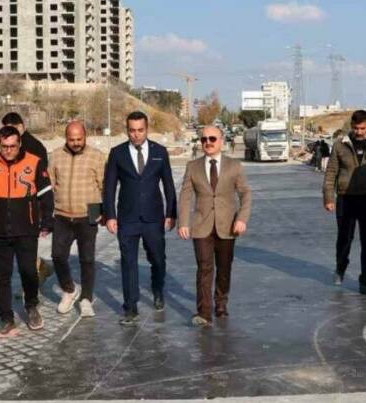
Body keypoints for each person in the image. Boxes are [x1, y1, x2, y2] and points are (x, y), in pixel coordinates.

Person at [0, 125, 54, 336]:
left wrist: (47, 222)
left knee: (28, 271)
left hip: (26, 230)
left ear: (19, 144)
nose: (8, 150)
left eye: (12, 146)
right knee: (2, 276)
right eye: (4, 146)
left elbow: (46, 195)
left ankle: (31, 306)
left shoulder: (34, 163)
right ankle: (6, 318)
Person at [103, 111, 177, 326]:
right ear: (127, 130)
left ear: (147, 128)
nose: (136, 135)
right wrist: (110, 215)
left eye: (140, 130)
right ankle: (130, 307)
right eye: (132, 131)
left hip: (154, 217)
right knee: (128, 262)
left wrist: (171, 213)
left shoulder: (160, 152)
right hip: (127, 218)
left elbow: (169, 185)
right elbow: (109, 187)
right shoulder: (117, 153)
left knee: (158, 258)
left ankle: (157, 289)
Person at [178, 125, 252, 326]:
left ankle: (221, 302)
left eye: (212, 138)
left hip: (228, 226)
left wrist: (242, 219)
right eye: (204, 139)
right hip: (201, 226)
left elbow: (245, 193)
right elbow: (185, 196)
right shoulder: (192, 166)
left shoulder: (234, 166)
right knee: (204, 268)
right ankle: (204, 312)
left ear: (221, 141)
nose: (208, 143)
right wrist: (183, 222)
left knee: (224, 268)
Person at [322, 110, 366, 296]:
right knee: (344, 238)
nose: (359, 132)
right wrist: (328, 197)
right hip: (346, 198)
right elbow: (331, 173)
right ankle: (341, 266)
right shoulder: (340, 145)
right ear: (351, 126)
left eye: (362, 128)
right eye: (355, 128)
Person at [49, 120, 106, 318]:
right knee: (57, 256)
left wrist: (104, 211)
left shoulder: (96, 156)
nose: (75, 143)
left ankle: (86, 299)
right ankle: (70, 290)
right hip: (62, 214)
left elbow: (104, 185)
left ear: (85, 136)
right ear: (66, 138)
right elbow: (51, 184)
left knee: (87, 259)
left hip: (87, 214)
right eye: (71, 139)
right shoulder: (55, 156)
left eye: (79, 139)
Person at [0, 111, 53, 287]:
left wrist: (44, 213)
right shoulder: (11, 147)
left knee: (26, 246)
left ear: (22, 127)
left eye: (12, 129)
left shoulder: (35, 147)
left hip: (30, 204)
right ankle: (40, 269)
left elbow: (42, 182)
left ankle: (30, 288)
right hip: (13, 204)